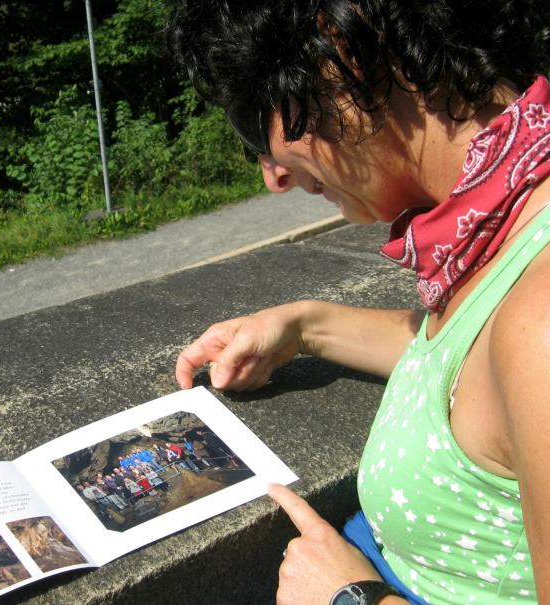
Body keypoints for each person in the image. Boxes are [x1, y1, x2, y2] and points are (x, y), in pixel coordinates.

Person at [168, 1, 550, 603]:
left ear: (341, 51)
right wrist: (306, 326)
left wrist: (352, 597)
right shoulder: (509, 220)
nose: (273, 175)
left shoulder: (543, 317)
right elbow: (465, 363)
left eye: (254, 124)